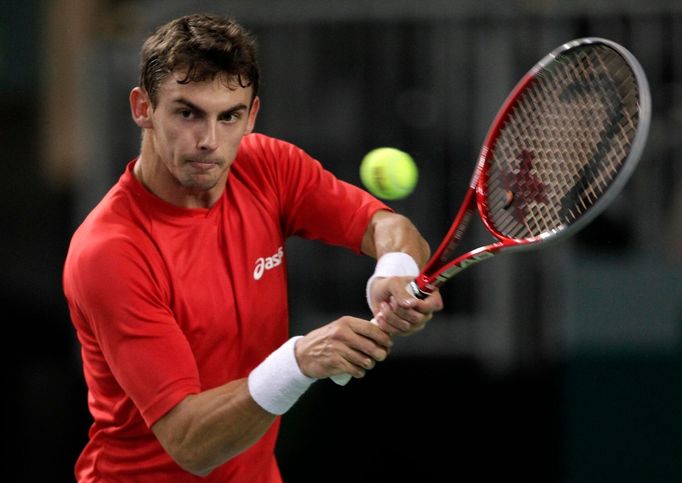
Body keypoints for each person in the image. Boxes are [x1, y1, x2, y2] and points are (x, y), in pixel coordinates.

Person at [63, 13, 443, 482]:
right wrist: (300, 361)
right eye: (187, 113)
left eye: (229, 117)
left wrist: (396, 267)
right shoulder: (111, 252)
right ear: (143, 108)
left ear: (253, 115)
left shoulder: (267, 166)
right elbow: (190, 444)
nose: (209, 141)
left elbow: (388, 225)